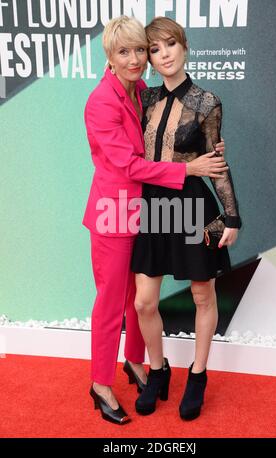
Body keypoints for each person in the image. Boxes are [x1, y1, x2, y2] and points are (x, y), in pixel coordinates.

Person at [83, 16, 227, 425]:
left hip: (145, 212)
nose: (135, 60)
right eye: (123, 52)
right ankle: (99, 384)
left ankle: (134, 363)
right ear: (109, 57)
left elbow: (168, 137)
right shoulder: (101, 101)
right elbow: (129, 164)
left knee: (137, 301)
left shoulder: (142, 91)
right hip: (113, 214)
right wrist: (189, 171)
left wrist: (205, 142)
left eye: (139, 50)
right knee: (111, 304)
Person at [131, 17, 242, 420]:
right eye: (155, 49)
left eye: (170, 45)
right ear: (150, 59)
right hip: (153, 207)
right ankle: (158, 372)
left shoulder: (207, 101)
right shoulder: (144, 100)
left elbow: (217, 162)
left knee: (202, 295)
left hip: (194, 207)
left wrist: (231, 216)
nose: (164, 55)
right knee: (144, 302)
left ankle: (197, 374)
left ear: (184, 46)